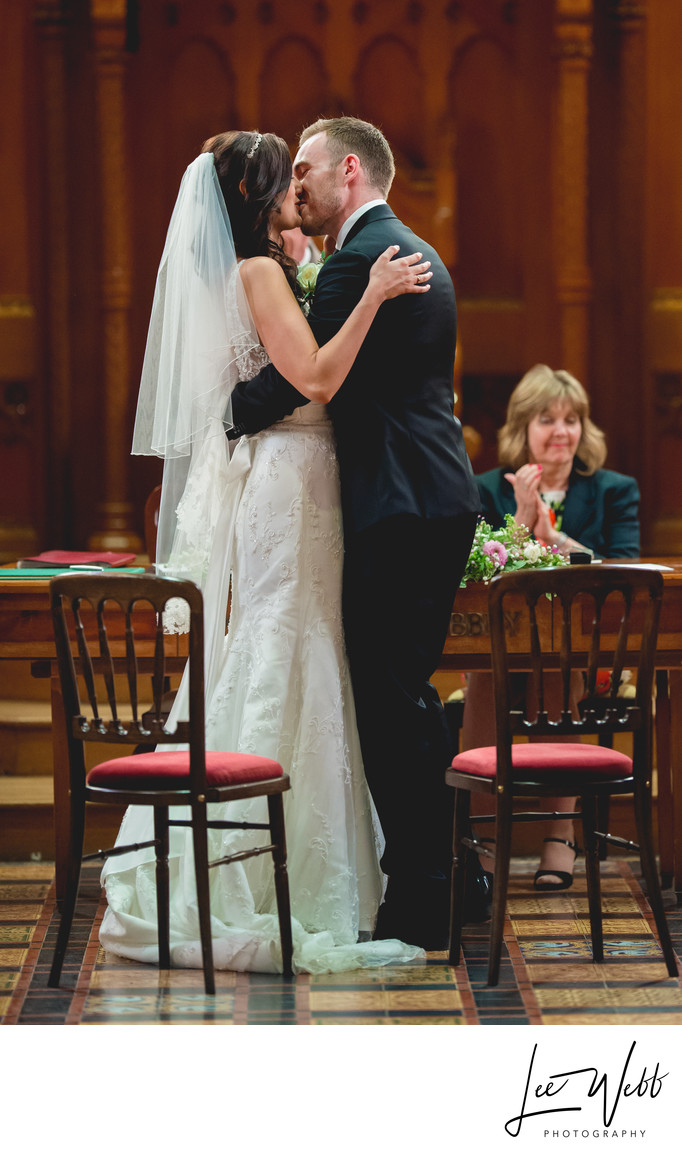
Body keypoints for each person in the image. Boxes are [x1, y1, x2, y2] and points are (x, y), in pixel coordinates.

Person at [100, 130, 435, 975]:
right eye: (284, 178)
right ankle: (265, 869)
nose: (298, 187)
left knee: (298, 641)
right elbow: (316, 378)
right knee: (287, 641)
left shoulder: (260, 269)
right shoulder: (258, 272)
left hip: (298, 476)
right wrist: (375, 295)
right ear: (258, 195)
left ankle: (305, 860)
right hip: (291, 479)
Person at [223, 117, 481, 949]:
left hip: (399, 510)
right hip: (429, 500)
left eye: (306, 168)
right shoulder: (411, 251)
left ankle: (428, 895)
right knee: (401, 697)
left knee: (392, 704)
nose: (296, 184)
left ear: (350, 170)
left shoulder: (367, 263)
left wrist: (223, 408)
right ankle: (452, 873)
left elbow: (297, 386)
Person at [462, 364, 640, 892]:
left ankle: (558, 839)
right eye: (547, 419)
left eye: (571, 419)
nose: (561, 431)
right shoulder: (486, 488)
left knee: (556, 671)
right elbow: (473, 571)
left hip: (582, 654)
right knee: (486, 674)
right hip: (499, 650)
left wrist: (554, 540)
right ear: (522, 427)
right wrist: (519, 524)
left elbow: (625, 568)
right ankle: (485, 838)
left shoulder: (612, 491)